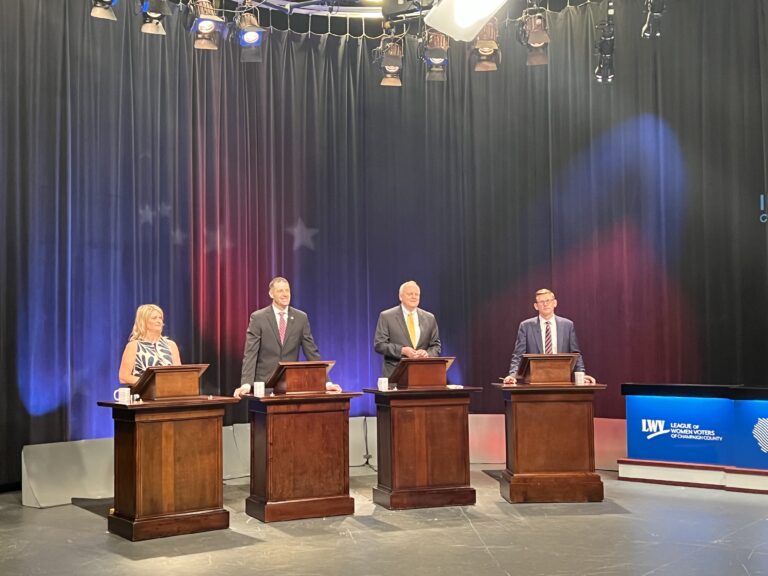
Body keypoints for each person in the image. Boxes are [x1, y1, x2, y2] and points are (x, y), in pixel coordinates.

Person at [234, 277, 339, 397]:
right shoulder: (258, 318)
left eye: (287, 290)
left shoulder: (301, 318)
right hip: (264, 387)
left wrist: (326, 382)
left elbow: (312, 352)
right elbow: (250, 353)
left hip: (291, 387)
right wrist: (246, 384)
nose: (285, 294)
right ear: (271, 294)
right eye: (280, 291)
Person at [503, 289, 595, 384]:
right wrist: (513, 375)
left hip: (562, 380)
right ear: (536, 306)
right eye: (541, 302)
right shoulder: (526, 326)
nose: (545, 304)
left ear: (555, 303)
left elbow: (575, 354)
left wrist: (582, 375)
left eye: (548, 301)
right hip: (534, 382)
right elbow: (518, 355)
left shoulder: (567, 325)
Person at [374, 280, 441, 378]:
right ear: (400, 297)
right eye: (410, 294)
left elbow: (436, 346)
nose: (414, 297)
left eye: (417, 294)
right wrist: (402, 350)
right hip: (395, 376)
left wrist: (427, 353)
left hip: (423, 375)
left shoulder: (430, 318)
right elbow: (379, 345)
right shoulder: (386, 316)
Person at [118, 304, 181, 385]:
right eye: (154, 318)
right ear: (143, 322)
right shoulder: (134, 346)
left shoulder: (171, 345)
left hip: (169, 390)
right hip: (144, 391)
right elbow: (124, 377)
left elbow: (179, 374)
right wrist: (153, 383)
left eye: (160, 318)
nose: (159, 321)